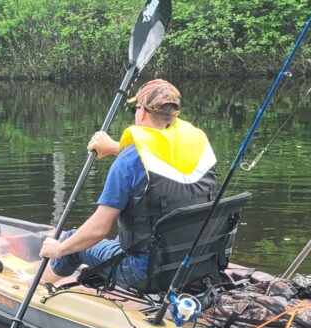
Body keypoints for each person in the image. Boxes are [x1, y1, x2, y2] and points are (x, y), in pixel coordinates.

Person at [40, 79, 217, 290]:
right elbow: (159, 156)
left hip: (145, 273)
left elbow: (97, 230)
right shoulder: (201, 149)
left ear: (141, 112)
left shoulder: (129, 162)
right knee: (123, 236)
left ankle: (34, 288)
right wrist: (116, 147)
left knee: (71, 242)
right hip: (194, 265)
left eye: (135, 108)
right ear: (175, 115)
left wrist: (58, 249)